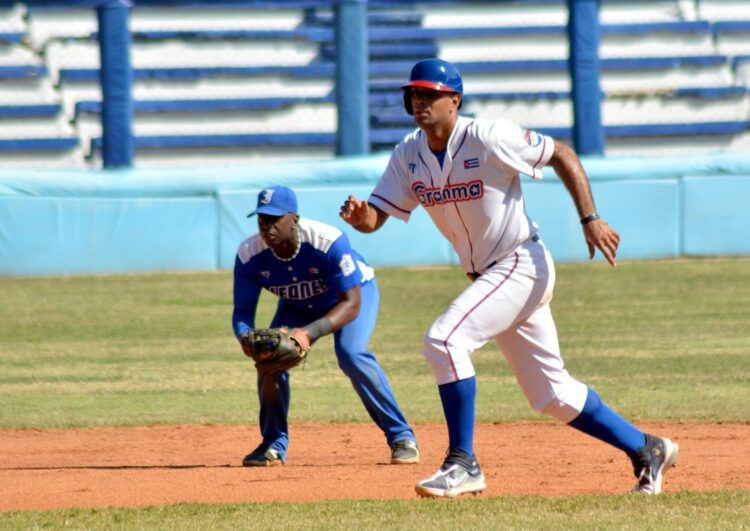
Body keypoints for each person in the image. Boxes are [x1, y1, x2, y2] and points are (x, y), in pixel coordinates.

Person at [339, 58, 678, 497]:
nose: (418, 101)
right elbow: (377, 217)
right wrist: (362, 215)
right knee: (552, 395)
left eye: (429, 94)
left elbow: (562, 154)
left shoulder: (488, 136)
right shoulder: (408, 154)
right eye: (413, 94)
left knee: (445, 340)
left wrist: (590, 217)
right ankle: (647, 448)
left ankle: (463, 462)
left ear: (454, 101)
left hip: (521, 263)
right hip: (490, 276)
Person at [232, 185, 419, 467]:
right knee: (270, 358)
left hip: (350, 296)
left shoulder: (326, 242)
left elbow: (352, 303)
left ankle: (401, 437)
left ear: (293, 219)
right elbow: (242, 312)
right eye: (262, 219)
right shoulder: (249, 254)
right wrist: (246, 338)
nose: (266, 226)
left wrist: (307, 333)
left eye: (274, 219)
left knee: (351, 354)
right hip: (297, 305)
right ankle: (272, 444)